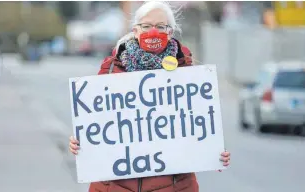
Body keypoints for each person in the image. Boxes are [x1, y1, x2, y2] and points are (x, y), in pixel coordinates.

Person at [69, 2, 231, 192]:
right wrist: (80, 143)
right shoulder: (111, 69)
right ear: (135, 30)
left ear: (170, 32)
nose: (153, 32)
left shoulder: (187, 74)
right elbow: (96, 125)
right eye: (146, 26)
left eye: (160, 26)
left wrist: (214, 153)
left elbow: (199, 127)